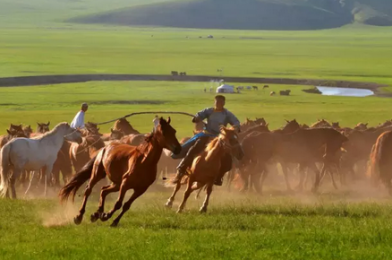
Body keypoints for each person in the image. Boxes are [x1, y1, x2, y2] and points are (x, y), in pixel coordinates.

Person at [172, 95, 240, 186]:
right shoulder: (209, 111)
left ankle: (219, 176)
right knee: (194, 148)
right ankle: (182, 168)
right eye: (217, 102)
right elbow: (199, 115)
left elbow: (236, 122)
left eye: (220, 102)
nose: (218, 104)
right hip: (207, 135)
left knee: (228, 157)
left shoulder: (227, 114)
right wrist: (197, 118)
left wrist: (235, 127)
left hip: (220, 137)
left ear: (224, 103)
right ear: (214, 102)